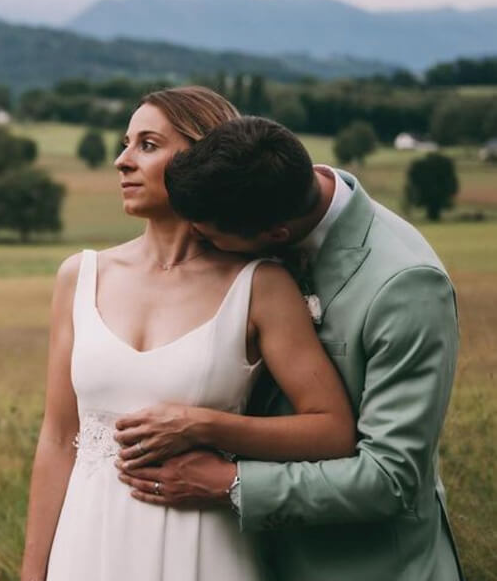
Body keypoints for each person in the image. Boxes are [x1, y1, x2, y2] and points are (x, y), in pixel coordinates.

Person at [20, 88, 358, 581]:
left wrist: (203, 425)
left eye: (147, 145)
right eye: (125, 143)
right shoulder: (81, 275)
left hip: (202, 547)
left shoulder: (259, 286)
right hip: (86, 542)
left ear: (199, 159)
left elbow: (332, 429)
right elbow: (57, 438)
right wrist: (34, 573)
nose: (122, 161)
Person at [118, 116, 463, 580]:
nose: (200, 245)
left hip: (369, 567)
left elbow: (391, 480)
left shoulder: (405, 287)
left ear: (276, 236)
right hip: (247, 559)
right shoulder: (261, 190)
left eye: (209, 236)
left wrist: (230, 484)